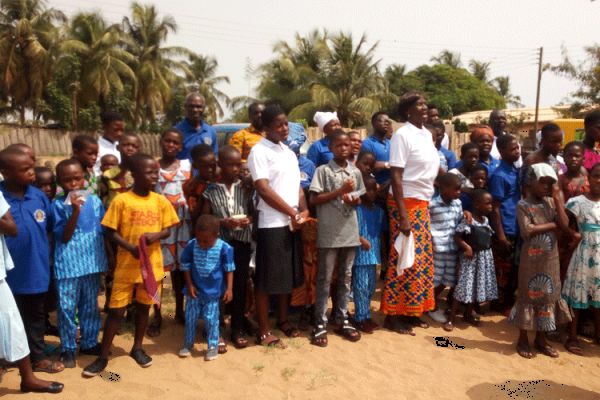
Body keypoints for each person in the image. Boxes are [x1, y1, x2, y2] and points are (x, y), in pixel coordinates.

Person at [82, 154, 179, 377]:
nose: (154, 176)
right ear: (134, 175)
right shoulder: (122, 201)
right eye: (149, 172)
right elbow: (109, 230)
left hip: (151, 265)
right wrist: (129, 247)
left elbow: (168, 228)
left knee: (144, 307)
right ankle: (103, 356)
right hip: (126, 265)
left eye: (156, 172)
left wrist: (156, 235)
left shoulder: (160, 200)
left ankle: (137, 347)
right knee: (116, 310)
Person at [247, 104, 308, 348]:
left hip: (292, 223)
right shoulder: (259, 152)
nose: (285, 129)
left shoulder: (288, 152)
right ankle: (263, 330)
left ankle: (283, 319)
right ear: (266, 128)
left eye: (286, 123)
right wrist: (291, 212)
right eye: (279, 125)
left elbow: (297, 186)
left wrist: (304, 210)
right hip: (271, 223)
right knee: (266, 279)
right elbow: (263, 189)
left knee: (286, 277)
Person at [0, 148, 64, 373]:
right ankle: (6, 358)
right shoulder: (0, 197)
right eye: (25, 169)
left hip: (36, 269)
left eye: (31, 167)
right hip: (7, 274)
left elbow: (48, 228)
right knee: (7, 318)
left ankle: (37, 357)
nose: (32, 173)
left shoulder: (37, 196)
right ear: (5, 172)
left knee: (35, 316)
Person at [381, 92, 440, 335]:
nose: (424, 107)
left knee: (420, 262)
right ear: (407, 111)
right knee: (403, 258)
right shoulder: (402, 135)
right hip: (405, 204)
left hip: (422, 203)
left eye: (425, 103)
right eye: (419, 105)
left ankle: (411, 311)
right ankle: (393, 316)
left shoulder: (426, 134)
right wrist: (404, 215)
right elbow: (396, 175)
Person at [509, 164, 572, 359]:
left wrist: (557, 199)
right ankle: (523, 339)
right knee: (528, 298)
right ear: (530, 182)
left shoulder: (551, 203)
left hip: (550, 260)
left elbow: (566, 224)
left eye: (549, 183)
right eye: (542, 182)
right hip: (531, 261)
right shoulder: (523, 205)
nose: (546, 186)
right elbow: (528, 230)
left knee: (548, 298)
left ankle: (541, 340)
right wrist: (554, 225)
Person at [309, 130, 365, 347]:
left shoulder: (355, 172)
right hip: (329, 233)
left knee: (346, 277)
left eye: (346, 145)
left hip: (349, 232)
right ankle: (320, 322)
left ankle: (342, 317)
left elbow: (359, 198)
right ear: (330, 148)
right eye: (338, 145)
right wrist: (340, 191)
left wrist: (353, 200)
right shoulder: (323, 171)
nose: (343, 148)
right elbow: (314, 199)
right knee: (324, 278)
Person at [52, 159, 107, 367]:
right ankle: (67, 347)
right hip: (68, 266)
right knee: (66, 308)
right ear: (60, 182)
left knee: (90, 305)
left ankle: (90, 342)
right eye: (67, 180)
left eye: (77, 178)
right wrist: (74, 211)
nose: (73, 184)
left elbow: (102, 230)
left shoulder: (94, 201)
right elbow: (63, 237)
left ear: (83, 179)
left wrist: (108, 257)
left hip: (92, 263)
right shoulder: (57, 205)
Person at [201, 146, 253, 349]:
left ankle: (237, 328)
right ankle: (216, 329)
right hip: (219, 245)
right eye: (230, 164)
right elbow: (205, 218)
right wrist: (223, 222)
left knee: (240, 286)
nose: (235, 168)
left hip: (241, 243)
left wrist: (248, 220)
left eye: (237, 164)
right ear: (220, 166)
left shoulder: (245, 188)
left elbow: (252, 212)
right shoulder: (211, 190)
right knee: (218, 287)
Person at [150, 128, 192, 336]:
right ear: (161, 142)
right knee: (160, 272)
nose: (171, 145)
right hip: (161, 227)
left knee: (180, 270)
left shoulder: (187, 166)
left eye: (176, 142)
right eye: (168, 141)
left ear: (181, 146)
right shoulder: (153, 167)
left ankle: (179, 310)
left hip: (183, 224)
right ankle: (156, 314)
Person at [178, 215, 234, 361]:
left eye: (206, 241)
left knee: (211, 320)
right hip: (194, 292)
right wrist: (189, 284)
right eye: (199, 239)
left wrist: (229, 289)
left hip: (212, 293)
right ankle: (188, 345)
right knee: (190, 317)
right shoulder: (191, 245)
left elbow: (229, 269)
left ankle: (212, 346)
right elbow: (185, 266)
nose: (202, 244)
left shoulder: (224, 248)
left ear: (216, 235)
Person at [562, 163, 600, 356]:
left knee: (598, 297)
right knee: (579, 295)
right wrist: (571, 236)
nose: (599, 181)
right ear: (589, 178)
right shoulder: (576, 202)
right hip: (584, 254)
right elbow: (562, 221)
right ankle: (572, 336)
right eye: (596, 176)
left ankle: (598, 335)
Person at [449, 189, 497, 331]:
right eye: (487, 203)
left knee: (475, 287)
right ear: (476, 205)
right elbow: (457, 236)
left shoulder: (486, 220)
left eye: (491, 203)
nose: (491, 206)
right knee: (463, 286)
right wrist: (466, 248)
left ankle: (468, 314)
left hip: (483, 259)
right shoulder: (468, 220)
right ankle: (451, 318)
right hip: (470, 259)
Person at [489, 134, 521, 310]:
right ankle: (498, 304)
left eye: (518, 148)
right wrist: (500, 235)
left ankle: (506, 302)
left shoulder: (515, 170)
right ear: (502, 151)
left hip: (516, 227)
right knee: (503, 269)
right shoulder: (500, 175)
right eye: (513, 149)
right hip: (505, 229)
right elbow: (495, 208)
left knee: (512, 268)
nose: (517, 151)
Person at [428, 173, 463, 324]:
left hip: (452, 248)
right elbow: (427, 225)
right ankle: (431, 306)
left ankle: (432, 301)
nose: (459, 192)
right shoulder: (432, 205)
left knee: (448, 279)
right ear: (443, 189)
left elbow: (460, 221)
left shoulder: (458, 204)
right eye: (456, 189)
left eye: (460, 189)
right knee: (435, 279)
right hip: (438, 249)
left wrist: (467, 214)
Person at [352, 175, 384, 334]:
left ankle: (366, 315)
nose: (371, 193)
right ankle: (360, 318)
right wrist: (360, 239)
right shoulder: (356, 210)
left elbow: (382, 234)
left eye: (374, 189)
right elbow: (349, 230)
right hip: (360, 256)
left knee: (371, 287)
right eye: (367, 189)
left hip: (374, 256)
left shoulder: (379, 212)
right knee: (361, 287)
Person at [99, 132, 141, 208]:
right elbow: (102, 197)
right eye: (125, 145)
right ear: (118, 147)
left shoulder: (142, 174)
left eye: (134, 146)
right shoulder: (108, 174)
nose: (130, 148)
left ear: (139, 149)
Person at [183, 144, 217, 231]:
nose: (210, 169)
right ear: (195, 166)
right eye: (205, 166)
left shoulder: (219, 178)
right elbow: (193, 214)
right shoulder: (191, 186)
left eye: (212, 165)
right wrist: (204, 194)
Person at [175, 93, 218, 161]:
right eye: (191, 106)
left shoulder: (211, 131)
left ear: (203, 108)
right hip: (185, 171)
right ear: (185, 107)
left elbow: (214, 156)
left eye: (198, 107)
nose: (195, 110)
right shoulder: (176, 132)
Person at [361, 111, 391, 185]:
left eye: (387, 121)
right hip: (377, 187)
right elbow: (368, 166)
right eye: (382, 121)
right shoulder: (367, 143)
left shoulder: (391, 143)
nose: (386, 123)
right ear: (374, 124)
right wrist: (389, 164)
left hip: (392, 186)